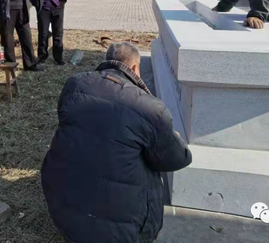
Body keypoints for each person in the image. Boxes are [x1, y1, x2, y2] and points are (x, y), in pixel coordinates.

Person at [41, 42, 192, 243]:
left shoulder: (75, 84)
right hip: (123, 229)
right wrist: (176, 138)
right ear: (135, 68)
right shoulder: (150, 108)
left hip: (64, 212)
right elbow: (177, 159)